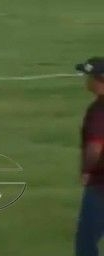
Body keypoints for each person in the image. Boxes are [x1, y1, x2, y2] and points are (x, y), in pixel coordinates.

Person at [77, 57, 104, 256]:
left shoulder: (99, 111)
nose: (86, 81)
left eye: (89, 76)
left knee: (86, 242)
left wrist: (87, 171)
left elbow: (95, 146)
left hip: (100, 186)